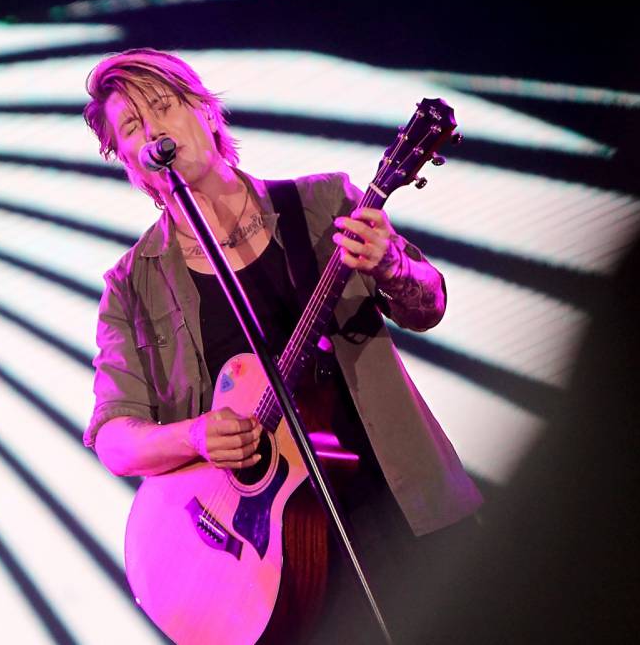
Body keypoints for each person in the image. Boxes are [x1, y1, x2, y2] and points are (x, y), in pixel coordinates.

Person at [80, 48, 483, 643]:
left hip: (395, 509)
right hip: (266, 563)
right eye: (133, 128)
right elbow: (115, 439)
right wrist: (193, 435)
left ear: (207, 113)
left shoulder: (324, 202)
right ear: (134, 168)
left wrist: (393, 265)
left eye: (164, 108)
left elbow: (430, 304)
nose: (154, 132)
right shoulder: (131, 286)